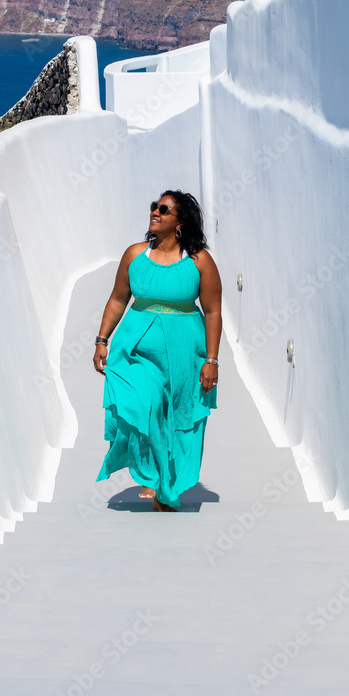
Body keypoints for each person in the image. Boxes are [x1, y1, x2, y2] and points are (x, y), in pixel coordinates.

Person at [93, 190, 222, 511]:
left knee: (178, 415)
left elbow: (214, 311)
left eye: (164, 209)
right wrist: (101, 340)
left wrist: (212, 360)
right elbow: (118, 298)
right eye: (154, 207)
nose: (156, 212)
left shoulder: (199, 260)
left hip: (184, 351)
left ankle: (168, 485)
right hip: (135, 347)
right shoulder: (135, 254)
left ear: (180, 222)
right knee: (144, 405)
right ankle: (151, 476)